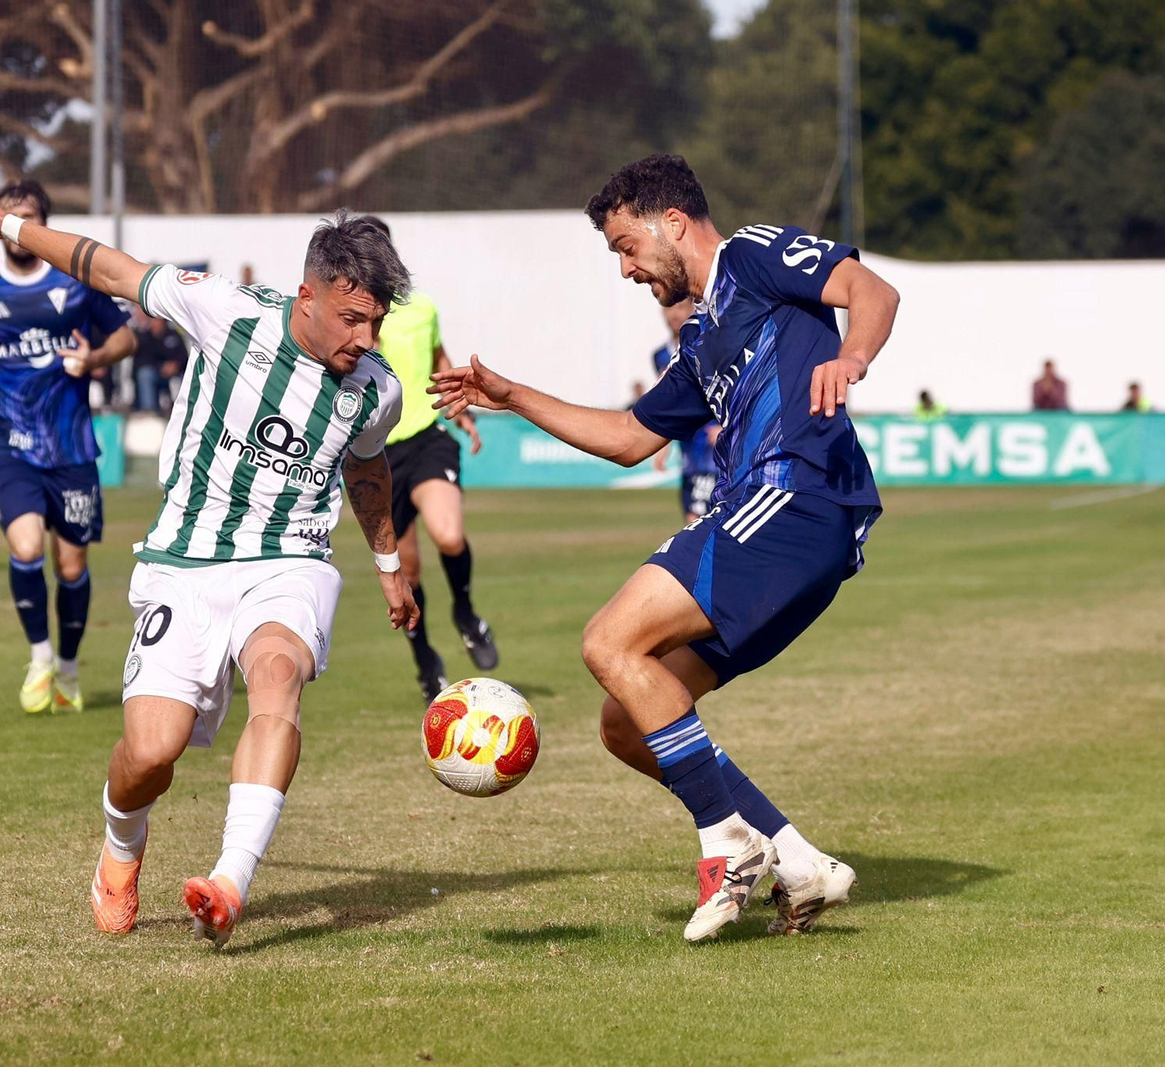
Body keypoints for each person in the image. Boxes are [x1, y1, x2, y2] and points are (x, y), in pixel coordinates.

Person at [0, 175, 418, 949]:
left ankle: (228, 880)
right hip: (186, 561)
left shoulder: (376, 391)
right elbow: (109, 266)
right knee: (150, 753)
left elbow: (366, 470)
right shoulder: (225, 312)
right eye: (353, 318)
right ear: (309, 295)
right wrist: (9, 226)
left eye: (375, 322)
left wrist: (389, 561)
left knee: (278, 674)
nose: (365, 339)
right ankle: (120, 852)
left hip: (288, 561)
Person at [432, 154, 900, 941]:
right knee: (627, 717)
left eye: (625, 245)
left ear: (671, 222)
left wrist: (851, 356)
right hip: (784, 533)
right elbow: (627, 437)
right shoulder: (703, 338)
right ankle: (795, 858)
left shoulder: (751, 255)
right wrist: (511, 396)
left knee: (607, 639)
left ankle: (725, 843)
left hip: (795, 497)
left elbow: (872, 290)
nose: (625, 269)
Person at [0, 180, 138, 714]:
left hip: (71, 444)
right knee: (26, 548)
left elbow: (125, 338)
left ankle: (69, 670)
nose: (12, 224)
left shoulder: (76, 284)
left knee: (71, 566)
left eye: (24, 215)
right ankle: (39, 657)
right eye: (4, 214)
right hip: (8, 441)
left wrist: (92, 360)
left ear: (42, 224)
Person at [360, 218, 496, 704]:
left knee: (450, 535)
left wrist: (462, 410)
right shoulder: (350, 317)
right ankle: (426, 663)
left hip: (425, 439)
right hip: (376, 454)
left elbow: (439, 359)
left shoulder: (421, 308)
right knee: (407, 574)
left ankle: (466, 612)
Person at [649, 298, 720, 522]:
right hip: (688, 451)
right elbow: (669, 402)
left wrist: (721, 425)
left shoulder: (709, 347)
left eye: (680, 307)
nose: (674, 314)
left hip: (713, 449)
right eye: (669, 308)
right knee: (693, 518)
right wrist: (661, 441)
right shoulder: (660, 356)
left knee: (697, 519)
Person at [132, 314, 187, 415]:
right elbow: (140, 362)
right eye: (153, 321)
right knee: (145, 374)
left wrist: (175, 365)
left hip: (174, 376)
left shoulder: (173, 335)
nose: (155, 323)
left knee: (180, 379)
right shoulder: (144, 338)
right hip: (154, 374)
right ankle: (149, 412)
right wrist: (160, 368)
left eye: (158, 321)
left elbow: (184, 357)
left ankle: (181, 412)